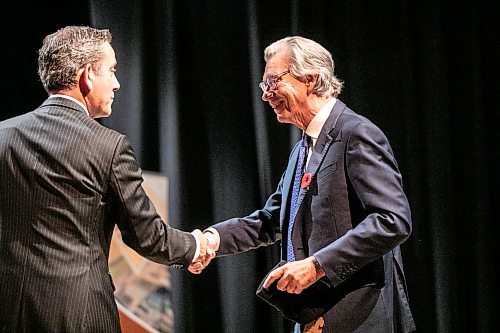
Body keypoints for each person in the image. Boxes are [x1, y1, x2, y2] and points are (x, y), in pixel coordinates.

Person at [192, 36, 416, 333]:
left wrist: (316, 266)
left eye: (273, 81)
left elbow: (393, 221)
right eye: (264, 85)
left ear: (309, 79)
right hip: (314, 321)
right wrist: (210, 240)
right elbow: (272, 219)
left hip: (360, 319)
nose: (265, 95)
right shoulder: (302, 150)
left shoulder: (356, 133)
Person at [0, 26, 210, 333]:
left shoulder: (3, 136)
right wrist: (195, 246)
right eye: (111, 71)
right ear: (87, 76)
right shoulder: (108, 146)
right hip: (81, 316)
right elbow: (148, 237)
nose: (117, 84)